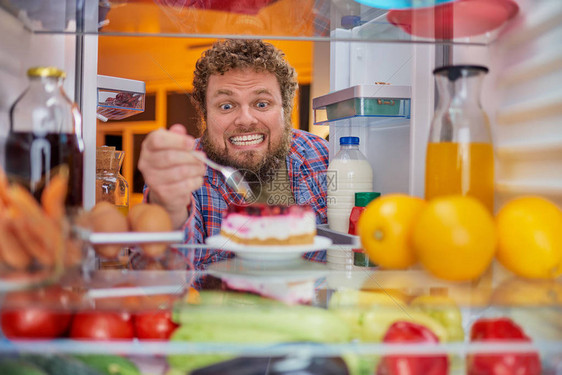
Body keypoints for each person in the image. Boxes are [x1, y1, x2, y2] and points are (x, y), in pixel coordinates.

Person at [138, 39, 329, 269]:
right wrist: (170, 210)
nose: (245, 120)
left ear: (286, 110)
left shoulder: (317, 154)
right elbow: (156, 278)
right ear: (204, 114)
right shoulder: (181, 171)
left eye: (262, 103)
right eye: (226, 106)